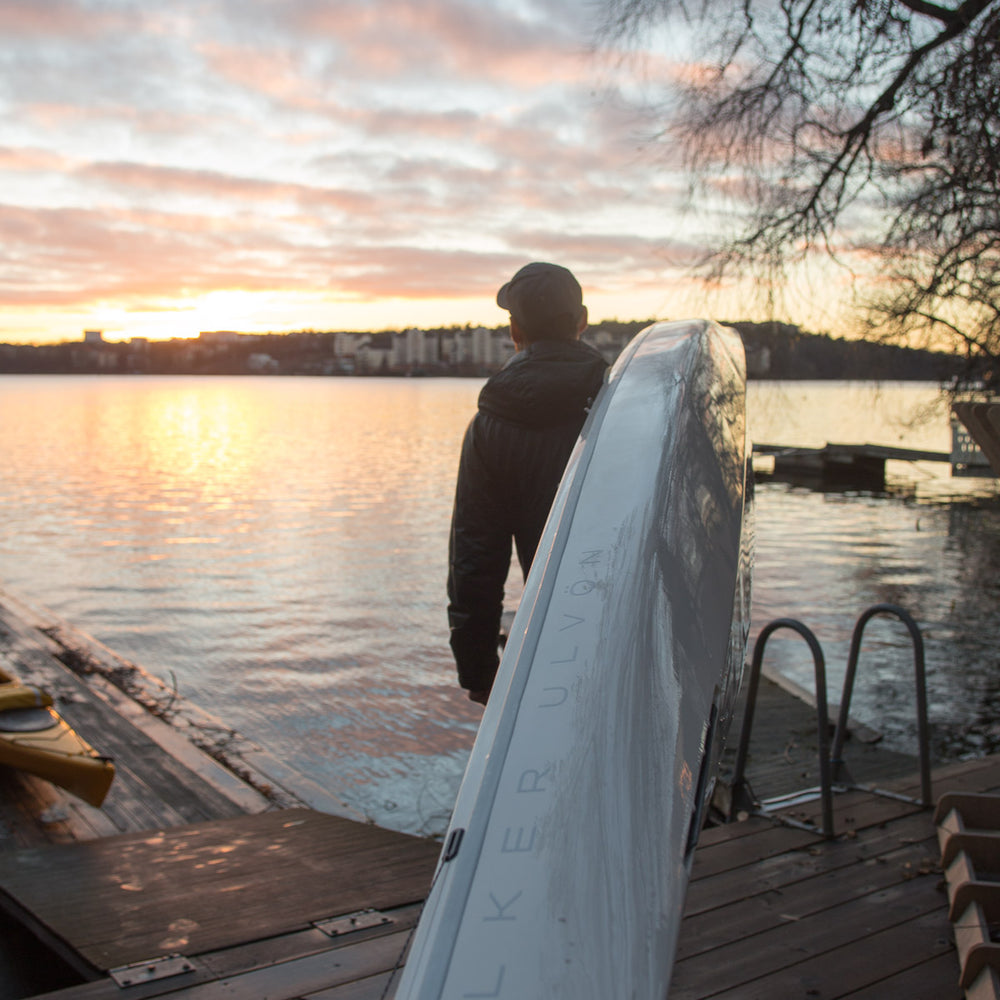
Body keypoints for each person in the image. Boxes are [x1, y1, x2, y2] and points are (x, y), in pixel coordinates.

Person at [447, 262, 609, 705]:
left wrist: (478, 669)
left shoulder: (488, 427)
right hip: (629, 628)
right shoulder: (625, 404)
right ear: (582, 320)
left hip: (554, 643)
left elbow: (475, 558)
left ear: (514, 330)